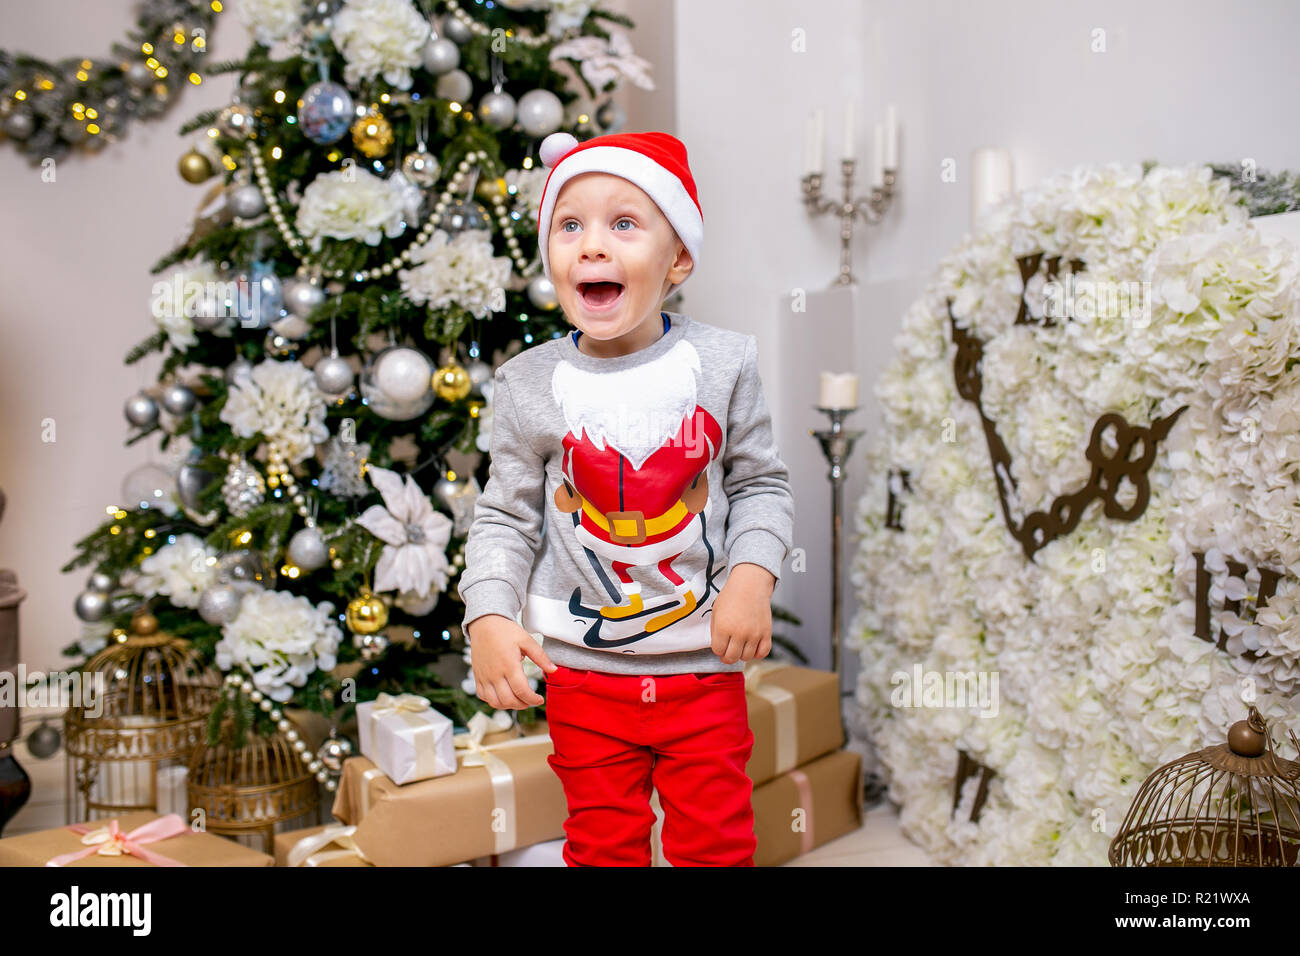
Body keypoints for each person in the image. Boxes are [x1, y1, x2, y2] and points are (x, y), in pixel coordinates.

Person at [458, 130, 795, 866]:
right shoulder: (526, 384)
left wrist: (751, 576)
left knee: (716, 844)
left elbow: (761, 484)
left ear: (677, 260)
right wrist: (488, 612)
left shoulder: (722, 363)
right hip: (585, 678)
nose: (592, 246)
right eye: (569, 225)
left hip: (700, 671)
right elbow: (505, 517)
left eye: (624, 223)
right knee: (602, 846)